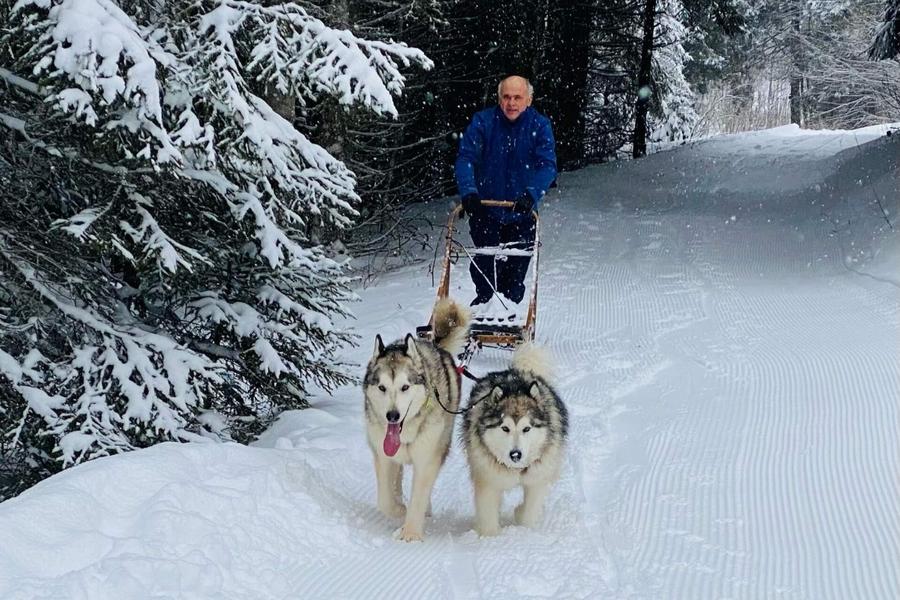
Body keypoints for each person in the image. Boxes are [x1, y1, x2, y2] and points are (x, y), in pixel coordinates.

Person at [455, 75, 557, 308]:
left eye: (517, 98)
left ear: (528, 100)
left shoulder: (539, 126)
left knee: (516, 270)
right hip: (486, 209)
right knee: (485, 263)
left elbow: (548, 166)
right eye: (507, 97)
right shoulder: (483, 122)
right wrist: (469, 191)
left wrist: (531, 194)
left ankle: (511, 311)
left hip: (522, 212)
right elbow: (466, 158)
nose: (511, 103)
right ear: (499, 99)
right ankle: (484, 306)